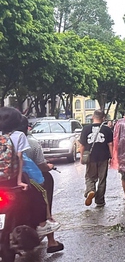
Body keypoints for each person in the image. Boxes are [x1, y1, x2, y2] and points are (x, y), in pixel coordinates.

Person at [0, 107, 59, 238]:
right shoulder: (18, 136)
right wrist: (20, 180)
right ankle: (42, 225)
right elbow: (21, 158)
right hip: (12, 179)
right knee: (40, 193)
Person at [18, 116, 64, 253]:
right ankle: (51, 240)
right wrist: (49, 166)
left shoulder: (5, 141)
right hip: (28, 182)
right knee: (45, 196)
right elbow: (41, 167)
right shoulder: (31, 143)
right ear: (27, 127)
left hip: (8, 182)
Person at [78, 109, 113, 207]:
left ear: (93, 117)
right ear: (103, 118)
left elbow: (82, 145)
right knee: (102, 179)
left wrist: (81, 156)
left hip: (90, 157)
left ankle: (91, 190)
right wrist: (112, 157)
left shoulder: (86, 129)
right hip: (103, 157)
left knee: (90, 177)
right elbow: (110, 145)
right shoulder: (107, 129)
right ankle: (100, 201)